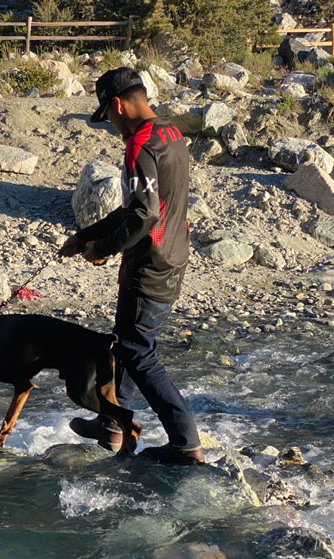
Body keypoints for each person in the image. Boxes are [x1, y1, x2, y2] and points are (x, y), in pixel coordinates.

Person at [59, 67, 203, 465]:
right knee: (126, 345)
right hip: (173, 257)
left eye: (107, 115)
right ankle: (114, 425)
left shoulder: (139, 146)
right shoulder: (171, 135)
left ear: (118, 105)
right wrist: (87, 235)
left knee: (137, 352)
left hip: (149, 266)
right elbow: (135, 208)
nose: (110, 124)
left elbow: (144, 216)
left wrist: (101, 248)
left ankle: (185, 443)